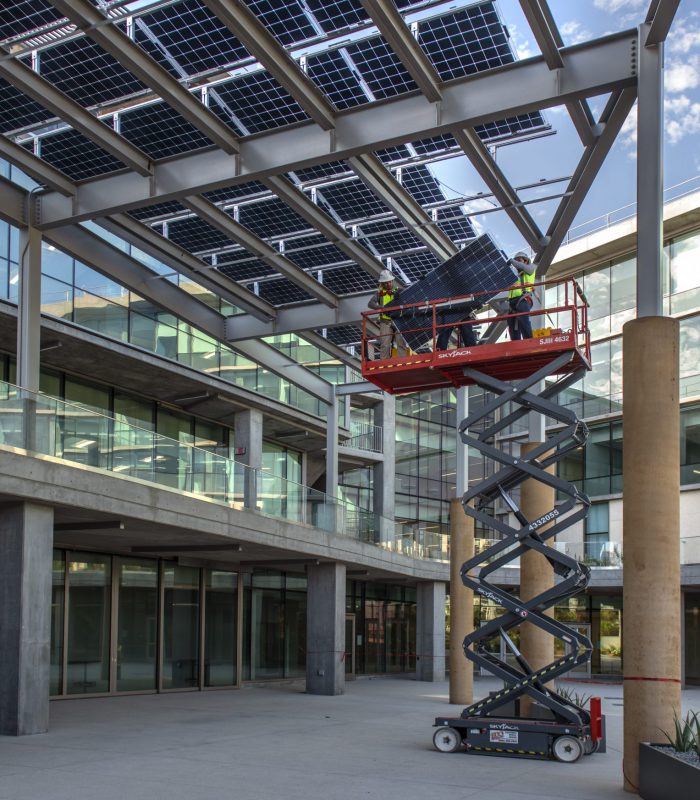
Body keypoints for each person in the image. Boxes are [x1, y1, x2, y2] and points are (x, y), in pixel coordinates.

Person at [367, 270, 408, 359]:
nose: (388, 284)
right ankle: (384, 364)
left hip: (398, 321)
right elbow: (370, 304)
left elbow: (409, 296)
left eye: (389, 282)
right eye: (386, 283)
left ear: (392, 281)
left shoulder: (399, 290)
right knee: (385, 344)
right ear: (383, 284)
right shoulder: (380, 293)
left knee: (401, 343)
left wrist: (401, 295)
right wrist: (381, 308)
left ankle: (403, 363)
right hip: (385, 322)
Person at [507, 251, 536, 340]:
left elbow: (527, 269)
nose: (517, 263)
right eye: (516, 261)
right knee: (512, 324)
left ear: (525, 261)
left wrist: (512, 261)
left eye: (519, 260)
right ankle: (516, 344)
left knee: (523, 318)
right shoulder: (513, 274)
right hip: (512, 302)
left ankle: (529, 340)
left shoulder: (531, 268)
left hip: (523, 298)